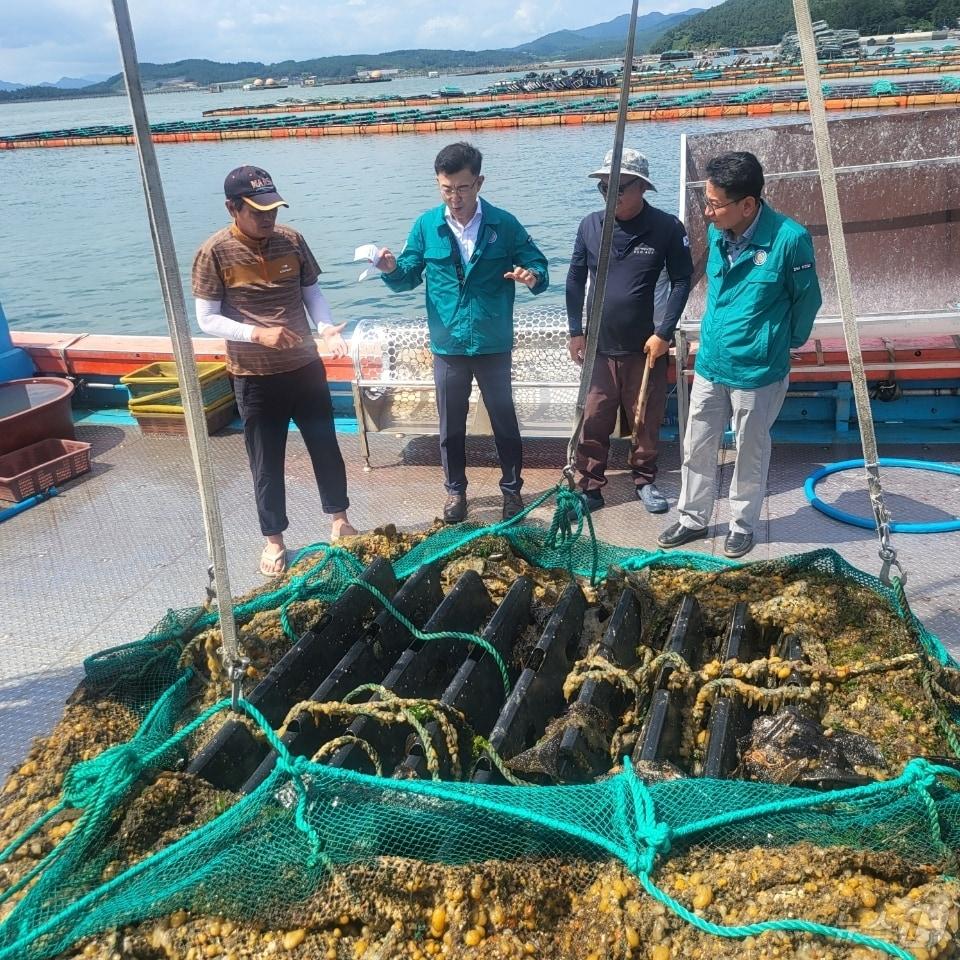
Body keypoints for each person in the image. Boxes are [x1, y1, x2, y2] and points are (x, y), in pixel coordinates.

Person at [192, 165, 356, 578]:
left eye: (273, 209)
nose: (268, 218)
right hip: (254, 377)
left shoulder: (292, 240)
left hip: (305, 366)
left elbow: (312, 293)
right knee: (266, 462)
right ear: (232, 208)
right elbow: (206, 319)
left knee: (326, 446)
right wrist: (256, 334)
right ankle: (274, 540)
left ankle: (339, 520)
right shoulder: (213, 252)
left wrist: (324, 327)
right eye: (257, 211)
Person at [658, 151, 822, 558]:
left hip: (758, 369)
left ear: (747, 205)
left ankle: (741, 524)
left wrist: (782, 343)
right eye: (706, 202)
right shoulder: (719, 233)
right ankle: (692, 518)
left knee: (750, 449)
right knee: (696, 444)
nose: (708, 212)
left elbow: (807, 302)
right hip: (713, 362)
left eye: (714, 204)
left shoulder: (790, 240)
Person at [375, 141, 549, 523]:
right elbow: (406, 275)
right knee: (449, 427)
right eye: (446, 188)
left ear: (479, 182)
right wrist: (389, 269)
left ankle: (511, 492)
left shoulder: (504, 224)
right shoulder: (426, 225)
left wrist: (531, 276)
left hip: (492, 343)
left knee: (505, 422)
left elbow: (538, 265)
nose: (455, 197)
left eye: (463, 188)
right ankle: (455, 492)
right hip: (448, 345)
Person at [566, 148, 693, 516]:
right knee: (594, 418)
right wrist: (576, 331)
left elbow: (683, 280)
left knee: (645, 418)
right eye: (605, 188)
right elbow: (574, 279)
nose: (612, 195)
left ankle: (645, 479)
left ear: (642, 188)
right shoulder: (590, 225)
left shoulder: (667, 227)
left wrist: (664, 332)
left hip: (645, 346)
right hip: (599, 348)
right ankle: (590, 487)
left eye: (620, 188)